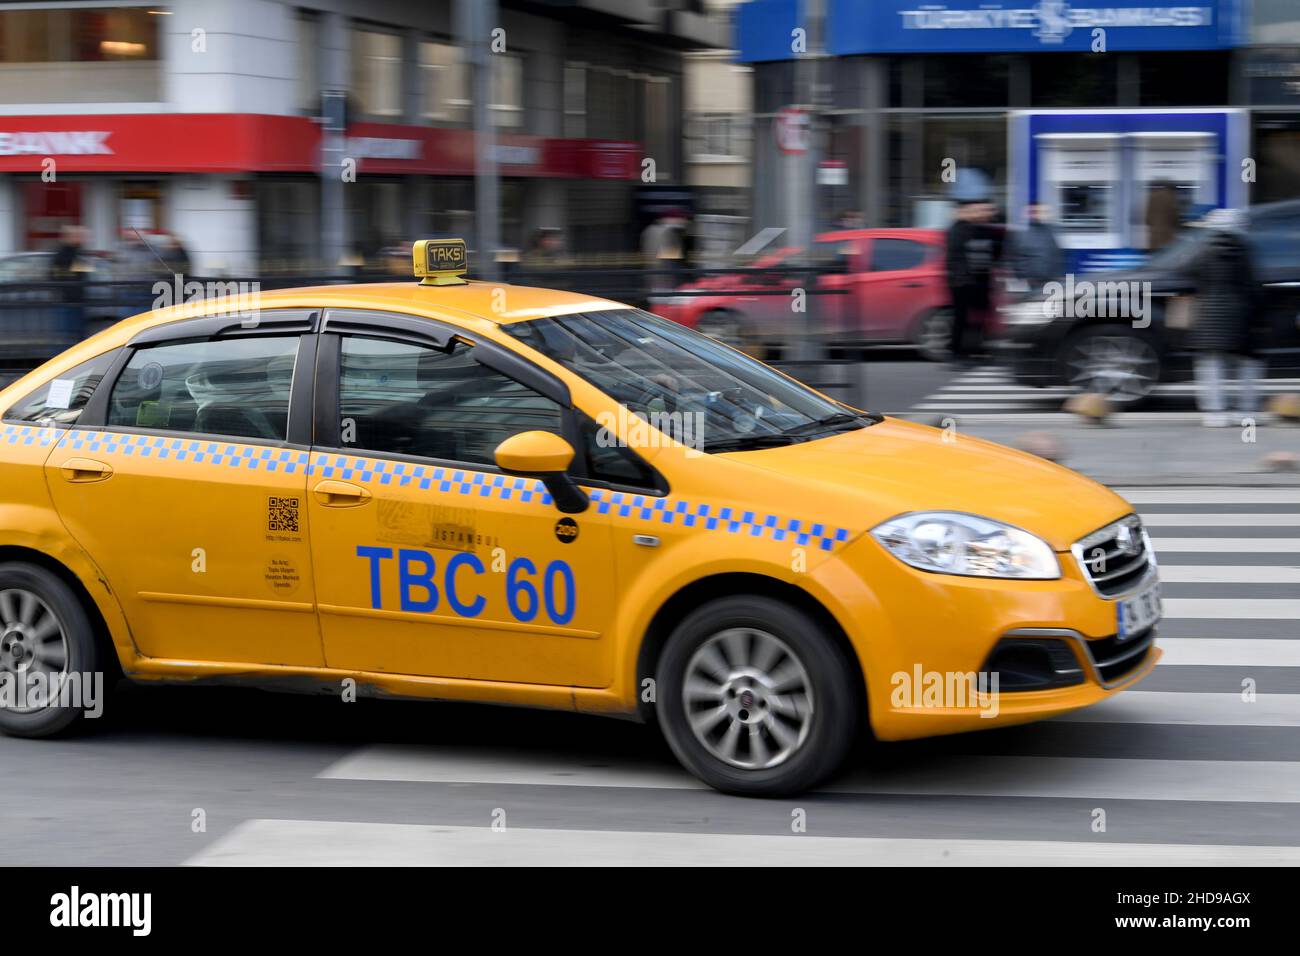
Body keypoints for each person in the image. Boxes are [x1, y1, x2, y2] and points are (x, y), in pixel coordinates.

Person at [1186, 209, 1264, 427]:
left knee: (1211, 365)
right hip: (1240, 315)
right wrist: (1259, 313)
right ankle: (1246, 411)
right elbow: (1253, 285)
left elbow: (1189, 273)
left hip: (1210, 316)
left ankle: (1215, 413)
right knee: (1248, 364)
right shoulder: (1245, 250)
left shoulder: (1203, 250)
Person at [945, 200, 998, 365]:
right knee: (963, 317)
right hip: (964, 282)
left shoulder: (976, 229)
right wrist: (963, 278)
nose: (976, 214)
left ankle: (971, 350)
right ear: (963, 212)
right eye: (972, 211)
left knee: (975, 317)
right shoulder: (959, 230)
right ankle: (958, 352)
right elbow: (957, 258)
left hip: (975, 280)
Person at [1009, 202, 1063, 291]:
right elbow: (1013, 258)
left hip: (1050, 281)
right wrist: (1021, 277)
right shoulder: (1017, 232)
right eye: (1032, 212)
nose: (1035, 215)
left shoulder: (1050, 230)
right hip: (1029, 282)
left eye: (1038, 212)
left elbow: (1055, 254)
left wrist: (1057, 276)